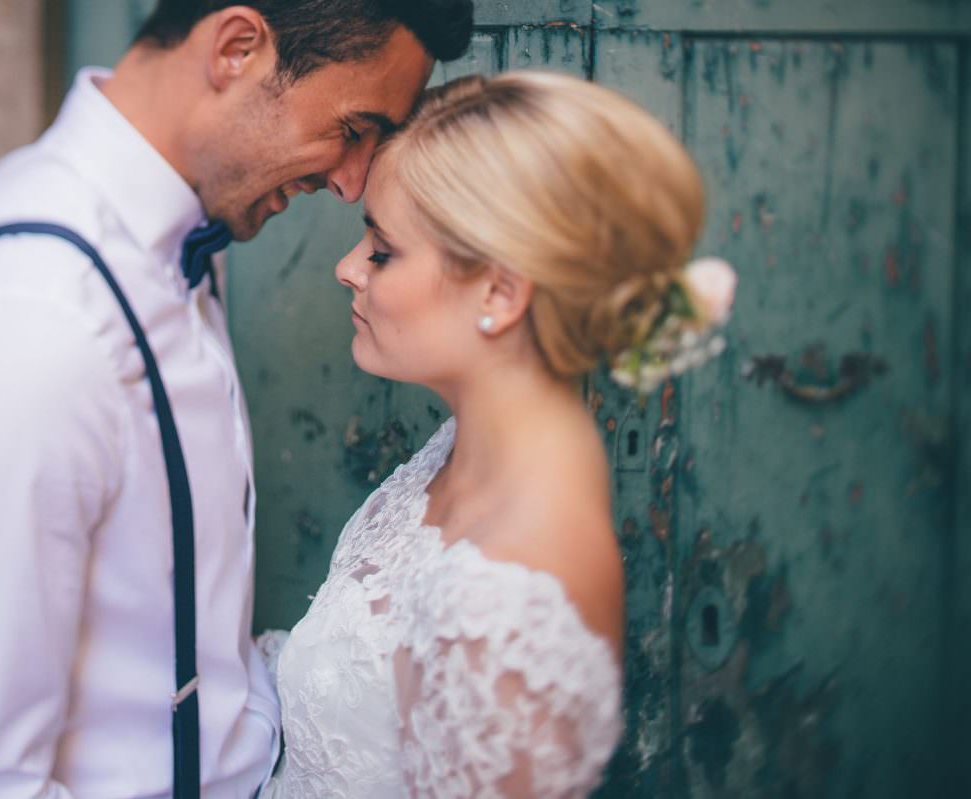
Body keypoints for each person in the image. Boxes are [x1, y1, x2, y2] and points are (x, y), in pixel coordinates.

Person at [0, 2, 472, 797]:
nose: (353, 181)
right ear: (237, 48)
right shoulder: (26, 323)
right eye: (352, 128)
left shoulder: (170, 239)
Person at [259, 71, 734, 797]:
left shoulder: (511, 587)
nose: (347, 268)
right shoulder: (461, 445)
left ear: (500, 293)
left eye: (382, 251)